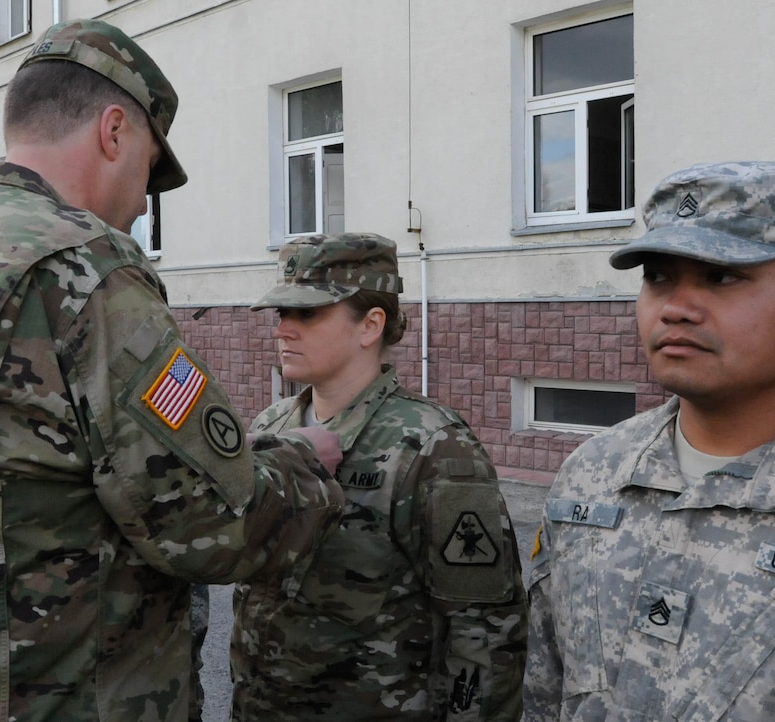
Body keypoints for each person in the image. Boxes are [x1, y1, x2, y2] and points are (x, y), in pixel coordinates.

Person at [0, 18, 345, 722]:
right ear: (115, 131)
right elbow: (210, 524)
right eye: (150, 172)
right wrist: (305, 462)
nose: (142, 202)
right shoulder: (82, 270)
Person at [230, 232, 529, 720]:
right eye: (280, 314)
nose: (282, 330)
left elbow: (485, 630)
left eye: (306, 314)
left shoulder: (434, 445)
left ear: (371, 325)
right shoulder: (271, 427)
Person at [524, 160, 775, 720]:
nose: (676, 308)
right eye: (658, 277)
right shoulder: (593, 472)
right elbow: (543, 688)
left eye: (721, 276)